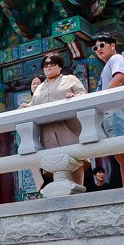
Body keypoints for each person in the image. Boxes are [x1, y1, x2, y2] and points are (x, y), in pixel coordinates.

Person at [29, 53, 88, 188]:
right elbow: (34, 103)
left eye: (53, 64)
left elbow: (83, 93)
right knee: (54, 160)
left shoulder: (70, 79)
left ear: (60, 67)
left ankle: (78, 187)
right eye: (46, 65)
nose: (49, 66)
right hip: (47, 129)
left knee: (74, 158)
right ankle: (61, 189)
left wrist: (74, 95)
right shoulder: (39, 87)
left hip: (67, 125)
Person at [92, 35, 124, 187]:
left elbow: (119, 78)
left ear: (112, 45)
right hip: (110, 110)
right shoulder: (107, 66)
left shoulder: (117, 58)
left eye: (102, 45)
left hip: (117, 109)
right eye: (95, 48)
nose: (98, 49)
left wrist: (103, 99)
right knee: (119, 153)